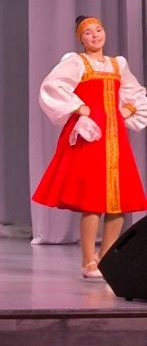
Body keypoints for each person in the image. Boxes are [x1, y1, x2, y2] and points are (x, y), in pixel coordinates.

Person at [34, 16, 147, 281]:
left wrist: (129, 109)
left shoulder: (117, 64)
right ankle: (88, 261)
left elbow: (135, 92)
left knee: (118, 202)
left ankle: (106, 258)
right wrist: (78, 107)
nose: (95, 35)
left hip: (116, 137)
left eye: (98, 30)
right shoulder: (77, 62)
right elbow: (52, 87)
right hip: (93, 135)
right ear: (81, 39)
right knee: (93, 200)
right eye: (88, 32)